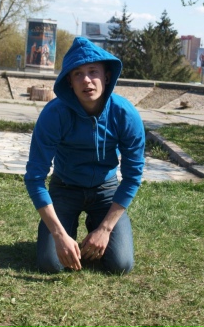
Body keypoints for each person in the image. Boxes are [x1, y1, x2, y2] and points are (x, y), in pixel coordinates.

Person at [24, 37, 145, 274]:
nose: (86, 80)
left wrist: (105, 229)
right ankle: (65, 229)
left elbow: (132, 177)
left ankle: (96, 224)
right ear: (69, 81)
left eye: (93, 71)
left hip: (106, 190)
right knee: (51, 264)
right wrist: (58, 234)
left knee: (121, 265)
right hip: (65, 187)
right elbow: (34, 178)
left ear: (106, 76)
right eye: (77, 74)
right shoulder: (54, 114)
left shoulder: (125, 114)